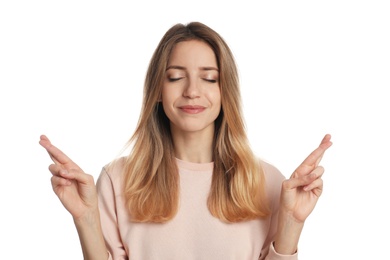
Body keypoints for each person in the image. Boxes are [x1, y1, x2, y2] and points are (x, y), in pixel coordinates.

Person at [40, 21, 332, 260]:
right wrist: (86, 218)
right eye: (176, 77)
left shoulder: (267, 181)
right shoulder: (118, 179)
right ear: (157, 89)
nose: (192, 91)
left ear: (224, 92)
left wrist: (292, 223)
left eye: (209, 78)